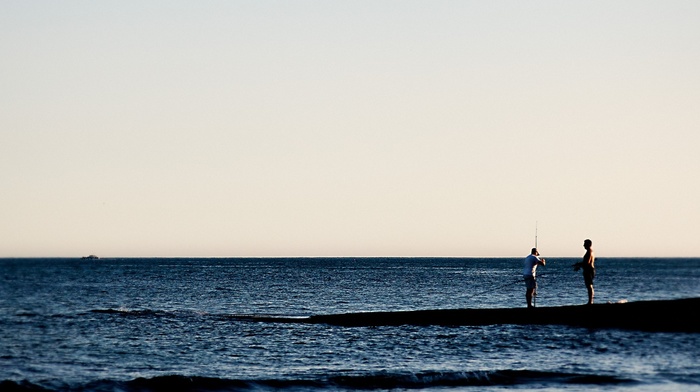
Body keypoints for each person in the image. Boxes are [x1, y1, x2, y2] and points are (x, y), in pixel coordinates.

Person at [573, 239, 595, 304]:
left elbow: (587, 263)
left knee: (589, 285)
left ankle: (590, 301)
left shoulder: (589, 252)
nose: (583, 245)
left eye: (585, 244)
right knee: (589, 285)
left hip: (589, 270)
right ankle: (590, 301)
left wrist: (578, 264)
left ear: (588, 244)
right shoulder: (590, 252)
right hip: (588, 270)